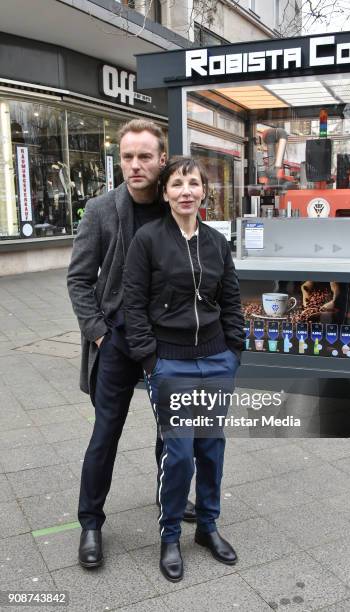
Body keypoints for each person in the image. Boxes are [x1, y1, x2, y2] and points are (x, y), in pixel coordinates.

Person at [66, 120, 196, 570]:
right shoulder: (101, 209)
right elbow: (79, 280)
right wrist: (100, 332)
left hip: (166, 339)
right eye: (127, 157)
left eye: (144, 156)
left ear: (163, 159)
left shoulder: (174, 205)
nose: (135, 165)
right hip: (117, 338)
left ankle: (171, 503)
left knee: (173, 431)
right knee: (105, 433)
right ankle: (90, 522)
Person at [123, 157, 245, 582]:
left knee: (211, 448)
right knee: (179, 455)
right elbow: (133, 305)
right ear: (166, 192)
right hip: (170, 362)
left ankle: (208, 528)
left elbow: (231, 299)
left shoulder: (215, 242)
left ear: (204, 192)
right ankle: (170, 534)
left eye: (194, 183)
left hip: (216, 359)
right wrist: (150, 360)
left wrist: (234, 351)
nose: (186, 191)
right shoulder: (148, 240)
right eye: (177, 184)